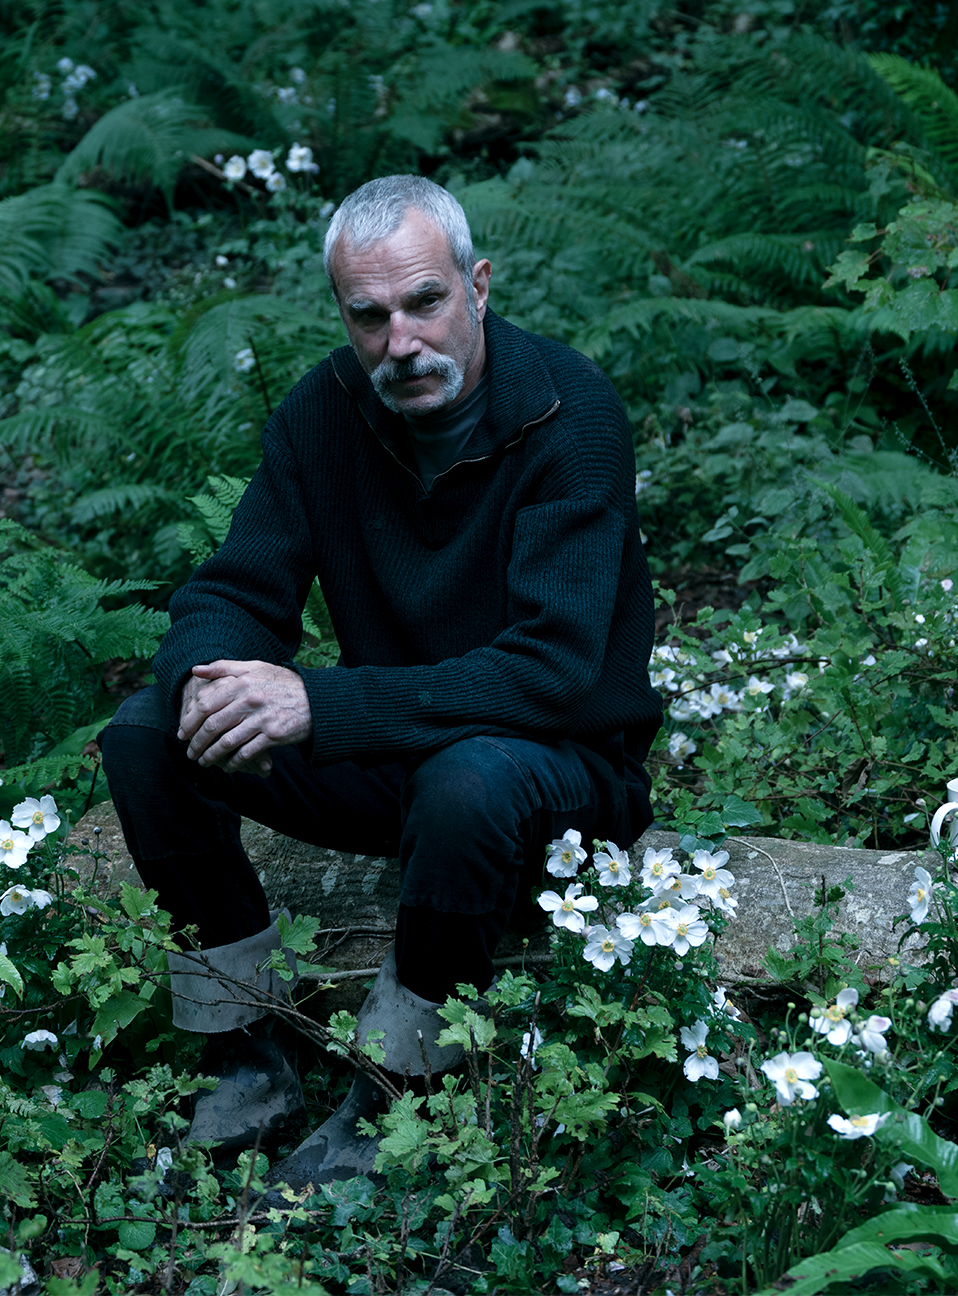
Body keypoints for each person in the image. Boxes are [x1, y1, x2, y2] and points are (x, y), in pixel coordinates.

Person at [98, 174, 661, 1188]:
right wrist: (205, 678)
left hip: (562, 769)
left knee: (470, 778)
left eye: (424, 302)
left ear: (476, 286)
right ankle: (250, 1046)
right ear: (346, 318)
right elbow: (232, 589)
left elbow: (554, 672)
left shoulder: (568, 416)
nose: (400, 340)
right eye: (369, 315)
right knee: (147, 732)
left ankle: (400, 1085)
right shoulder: (324, 416)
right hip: (400, 751)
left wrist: (317, 701)